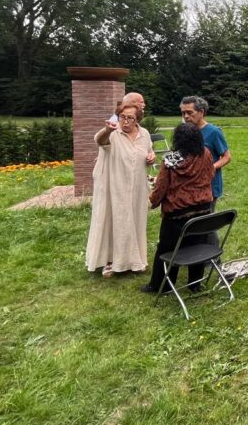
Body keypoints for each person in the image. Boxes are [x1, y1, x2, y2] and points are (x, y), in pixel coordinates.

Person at [140, 122, 214, 294]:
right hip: (203, 210)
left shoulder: (169, 160)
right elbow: (210, 175)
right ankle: (195, 283)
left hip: (177, 215)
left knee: (166, 249)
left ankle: (160, 285)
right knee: (197, 245)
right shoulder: (206, 154)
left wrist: (152, 201)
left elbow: (161, 187)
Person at [86, 101, 154, 277]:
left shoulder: (144, 134)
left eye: (130, 118)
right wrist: (107, 130)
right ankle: (110, 261)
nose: (125, 121)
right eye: (122, 117)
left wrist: (151, 157)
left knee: (136, 221)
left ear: (137, 118)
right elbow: (99, 141)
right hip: (116, 186)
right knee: (115, 222)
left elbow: (148, 151)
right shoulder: (113, 134)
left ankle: (134, 260)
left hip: (138, 186)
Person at [180, 96, 230, 203]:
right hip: (188, 185)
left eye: (189, 112)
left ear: (201, 112)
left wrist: (211, 167)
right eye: (183, 113)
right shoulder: (185, 131)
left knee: (205, 219)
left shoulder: (214, 132)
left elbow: (227, 157)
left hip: (209, 186)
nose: (186, 116)